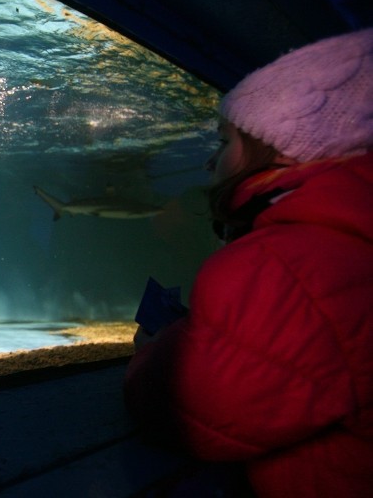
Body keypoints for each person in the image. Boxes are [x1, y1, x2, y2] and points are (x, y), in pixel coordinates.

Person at [124, 28, 373, 497]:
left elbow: (188, 413)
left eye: (224, 143)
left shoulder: (281, 260)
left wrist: (152, 354)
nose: (209, 163)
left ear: (278, 147)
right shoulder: (348, 235)